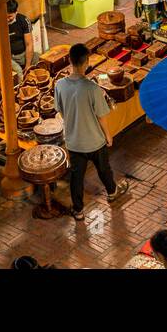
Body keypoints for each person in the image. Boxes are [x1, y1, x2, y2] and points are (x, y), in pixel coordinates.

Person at [55, 43, 128, 220]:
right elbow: (101, 116)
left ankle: (78, 210)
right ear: (86, 62)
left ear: (70, 61)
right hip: (95, 141)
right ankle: (112, 192)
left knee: (76, 177)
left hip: (74, 142)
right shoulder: (92, 88)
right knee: (104, 169)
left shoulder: (60, 85)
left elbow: (60, 111)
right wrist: (108, 135)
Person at [0, 0, 34, 73]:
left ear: (16, 12)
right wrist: (2, 55)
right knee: (18, 72)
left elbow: (29, 44)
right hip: (5, 57)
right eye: (4, 16)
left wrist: (28, 65)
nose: (7, 19)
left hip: (22, 54)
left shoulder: (24, 20)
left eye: (10, 16)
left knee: (40, 61)